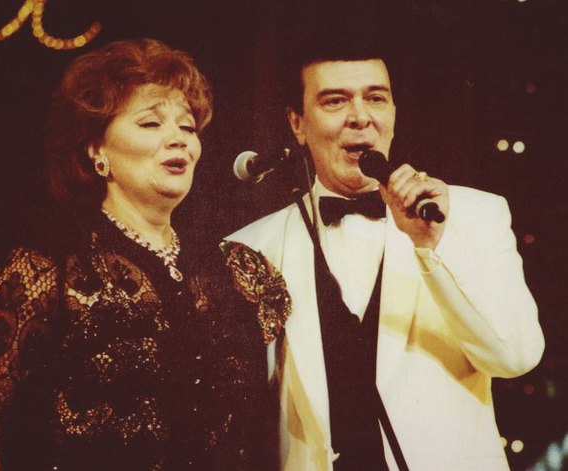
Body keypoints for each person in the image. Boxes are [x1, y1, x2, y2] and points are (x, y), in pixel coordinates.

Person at [0, 38, 290, 470]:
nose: (178, 139)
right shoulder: (47, 267)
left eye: (187, 127)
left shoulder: (233, 268)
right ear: (96, 149)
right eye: (151, 123)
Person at [226, 35, 545, 470]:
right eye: (335, 101)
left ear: (393, 113)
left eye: (375, 98)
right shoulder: (252, 247)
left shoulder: (473, 214)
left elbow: (515, 357)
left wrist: (432, 246)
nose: (361, 117)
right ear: (297, 124)